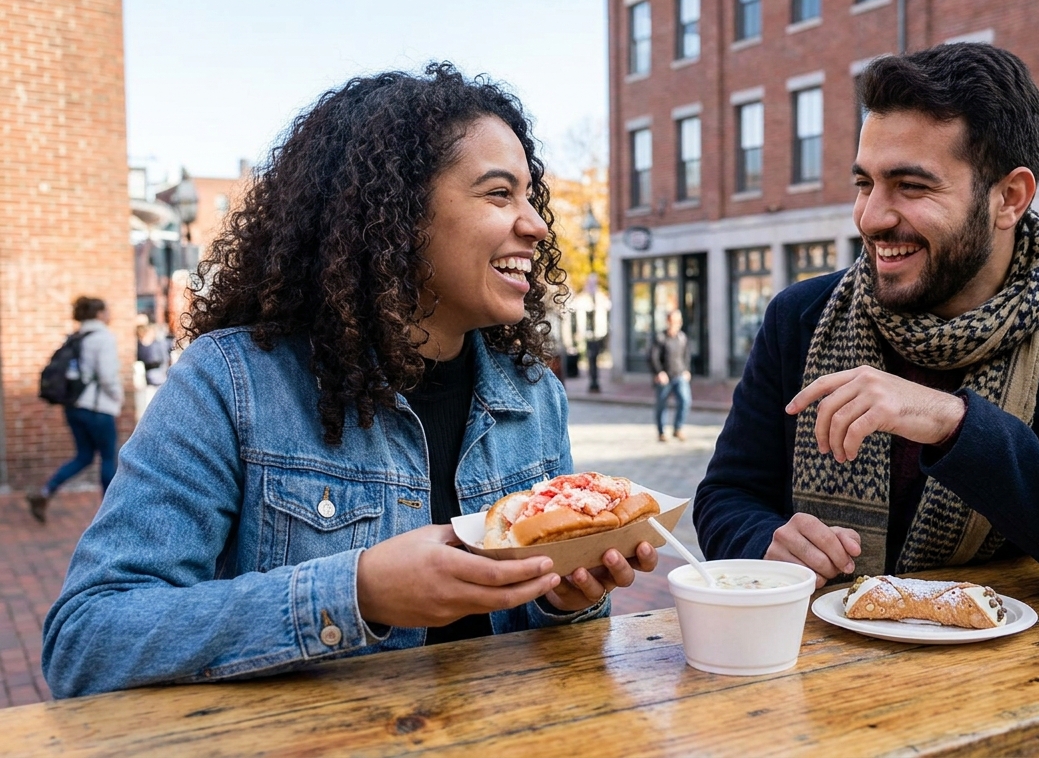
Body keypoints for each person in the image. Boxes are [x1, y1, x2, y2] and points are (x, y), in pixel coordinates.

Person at [42, 64, 657, 699]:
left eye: (531, 197)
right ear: (394, 214)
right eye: (499, 194)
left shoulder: (533, 395)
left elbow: (546, 651)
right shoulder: (230, 384)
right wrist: (356, 592)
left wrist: (565, 602)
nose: (536, 225)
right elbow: (86, 640)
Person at [693, 44, 1039, 603]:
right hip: (819, 661)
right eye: (865, 183)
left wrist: (953, 423)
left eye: (912, 187)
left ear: (1009, 198)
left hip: (1012, 670)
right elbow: (726, 496)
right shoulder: (797, 318)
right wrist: (766, 543)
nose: (872, 217)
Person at [26, 296, 123, 524]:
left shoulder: (76, 336)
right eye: (107, 310)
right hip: (98, 409)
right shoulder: (104, 338)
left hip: (74, 408)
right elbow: (108, 377)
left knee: (83, 456)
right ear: (99, 313)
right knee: (108, 458)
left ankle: (45, 492)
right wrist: (118, 399)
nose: (110, 315)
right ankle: (109, 516)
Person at [649, 308, 692, 442]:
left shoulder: (682, 337)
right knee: (662, 405)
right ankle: (661, 432)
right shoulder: (660, 338)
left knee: (685, 401)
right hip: (664, 377)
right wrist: (659, 372)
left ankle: (678, 428)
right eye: (674, 321)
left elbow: (686, 356)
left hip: (679, 375)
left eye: (679, 321)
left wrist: (686, 370)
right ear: (668, 321)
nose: (676, 324)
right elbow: (652, 357)